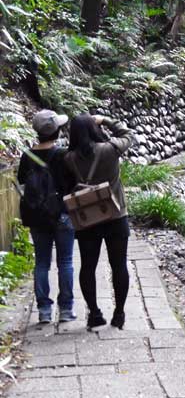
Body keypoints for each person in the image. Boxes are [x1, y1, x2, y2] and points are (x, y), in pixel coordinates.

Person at [65, 114, 134, 329]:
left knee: (87, 266)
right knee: (119, 264)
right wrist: (105, 120)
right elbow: (128, 135)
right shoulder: (109, 150)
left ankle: (94, 313)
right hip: (115, 215)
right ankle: (119, 313)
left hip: (87, 218)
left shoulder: (69, 158)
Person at [17, 110, 76, 324]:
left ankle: (43, 310)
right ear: (57, 131)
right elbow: (72, 181)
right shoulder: (62, 154)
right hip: (62, 213)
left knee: (42, 262)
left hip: (37, 215)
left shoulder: (27, 156)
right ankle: (66, 309)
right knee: (66, 261)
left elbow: (22, 179)